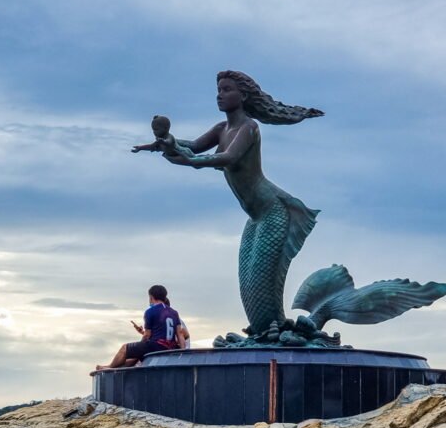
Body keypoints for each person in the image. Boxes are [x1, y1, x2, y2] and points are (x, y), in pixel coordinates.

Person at [136, 71, 323, 338]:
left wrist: (189, 159)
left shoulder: (249, 128)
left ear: (243, 96)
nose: (219, 95)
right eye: (218, 90)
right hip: (255, 217)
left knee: (260, 285)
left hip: (273, 212)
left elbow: (227, 157)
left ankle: (280, 333)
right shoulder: (221, 129)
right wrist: (167, 142)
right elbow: (194, 146)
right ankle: (269, 332)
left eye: (226, 90)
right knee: (247, 286)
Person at [97, 285, 180, 370]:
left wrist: (141, 344)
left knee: (125, 348)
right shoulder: (174, 313)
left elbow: (147, 335)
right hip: (171, 347)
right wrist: (182, 351)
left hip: (156, 346)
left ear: (151, 297)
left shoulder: (150, 311)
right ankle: (117, 368)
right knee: (136, 355)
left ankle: (110, 368)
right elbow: (180, 335)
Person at [131, 115, 196, 159]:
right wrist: (140, 148)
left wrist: (163, 141)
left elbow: (169, 142)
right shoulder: (159, 141)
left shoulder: (169, 137)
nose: (154, 132)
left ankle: (204, 158)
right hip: (176, 156)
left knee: (196, 164)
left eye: (156, 129)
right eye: (153, 130)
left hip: (185, 153)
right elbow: (151, 146)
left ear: (165, 128)